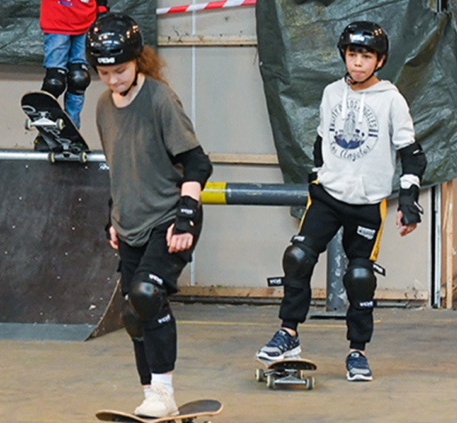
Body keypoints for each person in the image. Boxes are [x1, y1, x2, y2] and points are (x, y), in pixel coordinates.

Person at [254, 21, 426, 383]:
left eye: (366, 56)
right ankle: (289, 334)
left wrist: (409, 200)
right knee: (297, 256)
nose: (358, 63)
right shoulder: (332, 93)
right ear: (344, 57)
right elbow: (321, 140)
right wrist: (320, 173)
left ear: (379, 61)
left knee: (359, 276)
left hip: (367, 203)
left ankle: (357, 353)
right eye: (352, 55)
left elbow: (412, 154)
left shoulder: (392, 100)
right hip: (328, 197)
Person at [88, 13, 213, 418]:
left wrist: (187, 217)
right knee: (131, 312)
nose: (112, 80)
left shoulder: (160, 99)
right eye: (104, 72)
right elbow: (119, 164)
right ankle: (150, 396)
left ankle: (164, 392)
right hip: (129, 224)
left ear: (138, 60)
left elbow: (197, 163)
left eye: (120, 70)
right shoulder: (105, 104)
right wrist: (113, 216)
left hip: (168, 218)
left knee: (147, 295)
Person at [33, 0, 108, 151]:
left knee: (79, 79)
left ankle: (71, 133)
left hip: (86, 19)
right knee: (54, 82)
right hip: (56, 18)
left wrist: (101, 10)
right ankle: (46, 133)